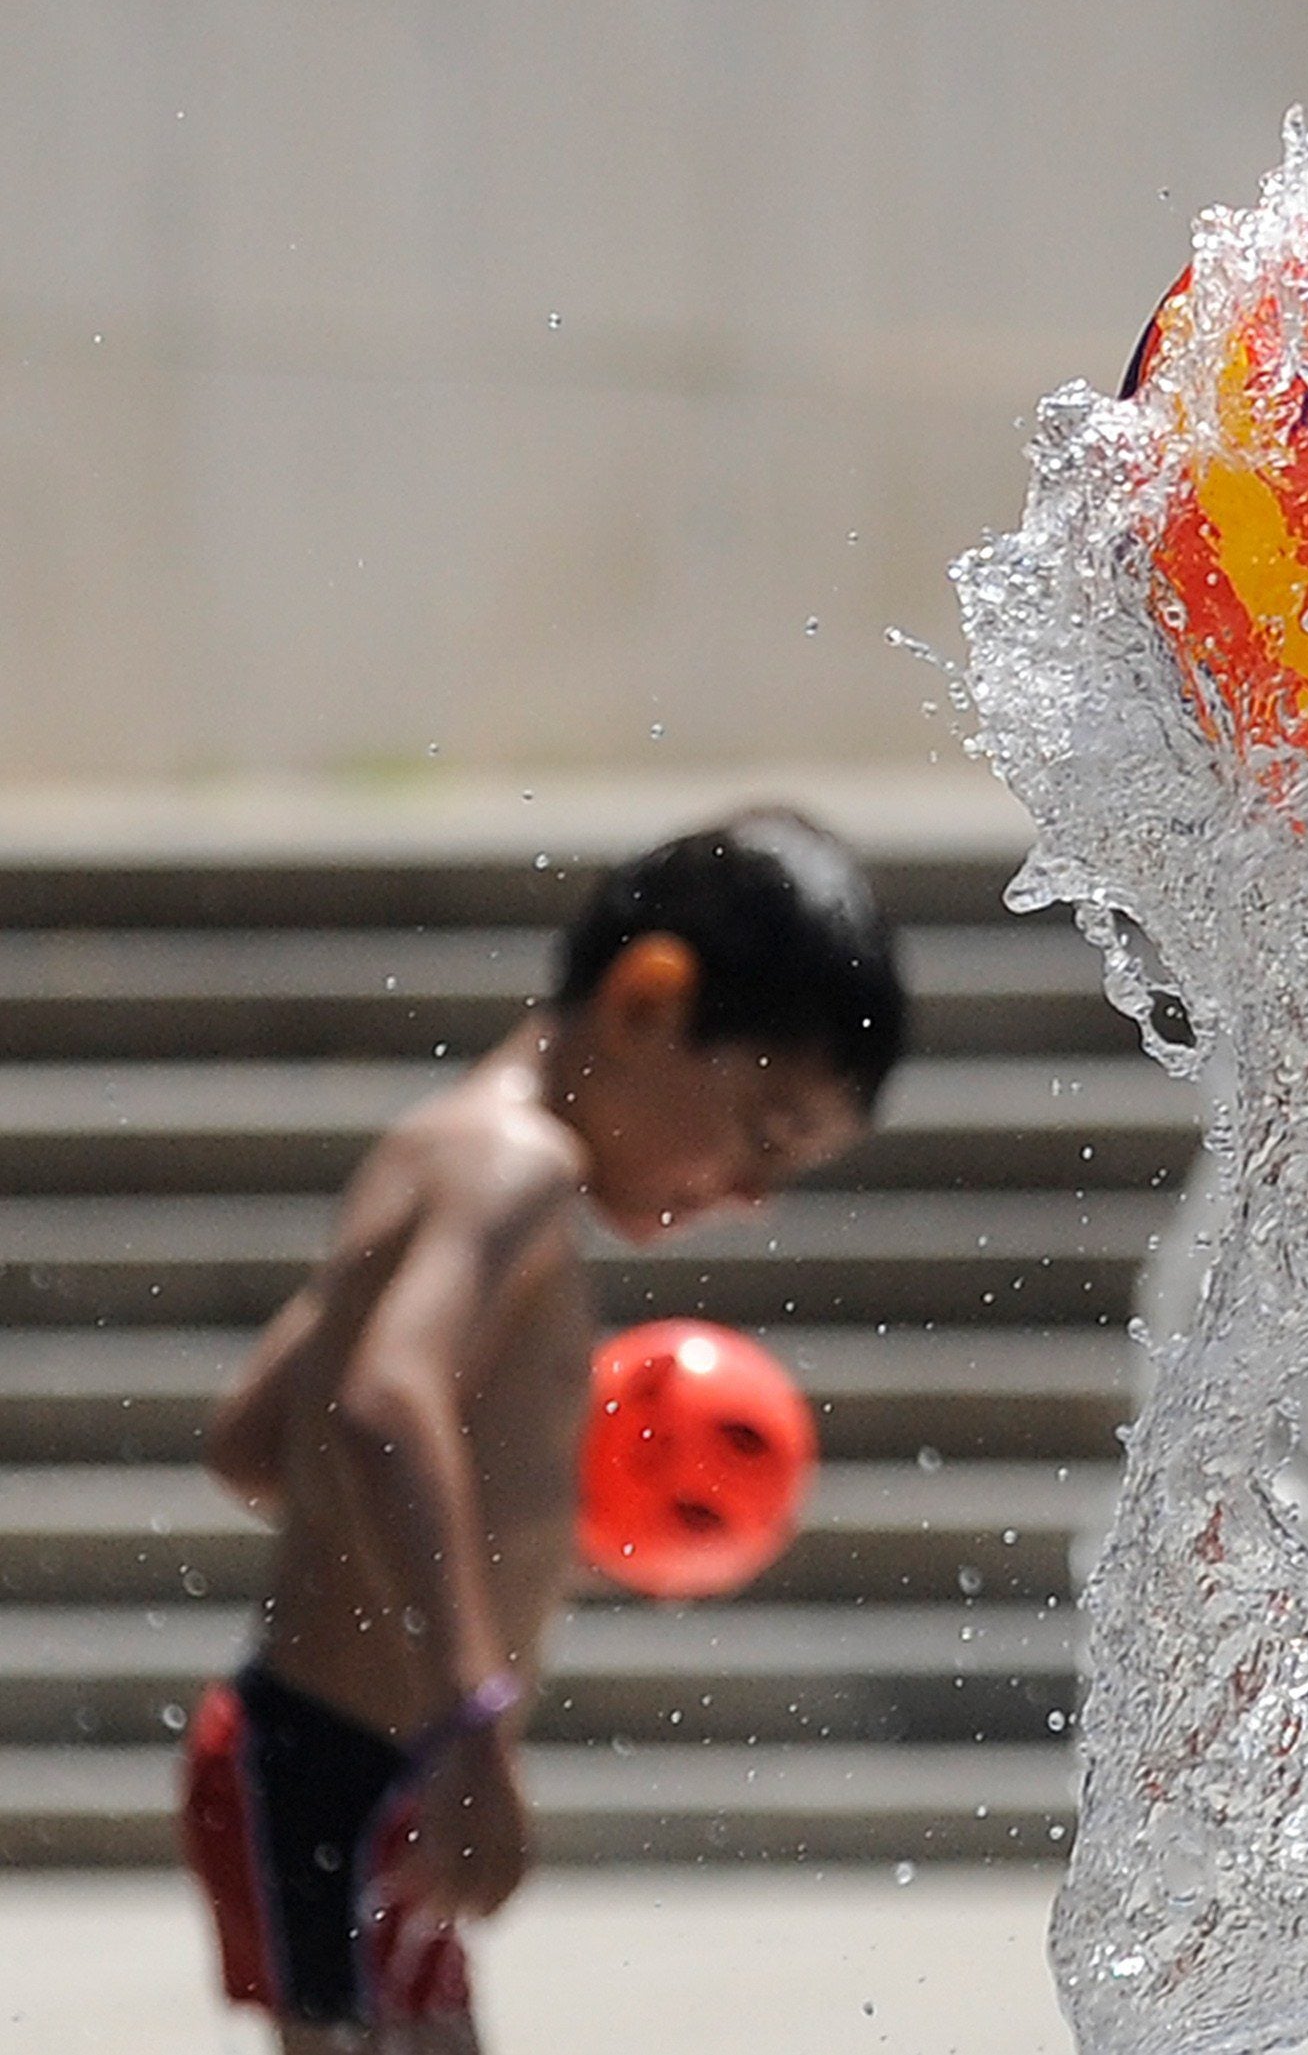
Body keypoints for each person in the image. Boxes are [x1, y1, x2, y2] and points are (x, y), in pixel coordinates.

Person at [183, 809, 906, 2052]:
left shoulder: (455, 1155)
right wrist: (474, 1711)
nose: (747, 1195)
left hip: (341, 1762)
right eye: (764, 1132)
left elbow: (258, 1440)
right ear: (646, 1003)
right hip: (335, 1764)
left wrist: (519, 1531)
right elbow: (379, 1404)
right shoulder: (510, 1167)